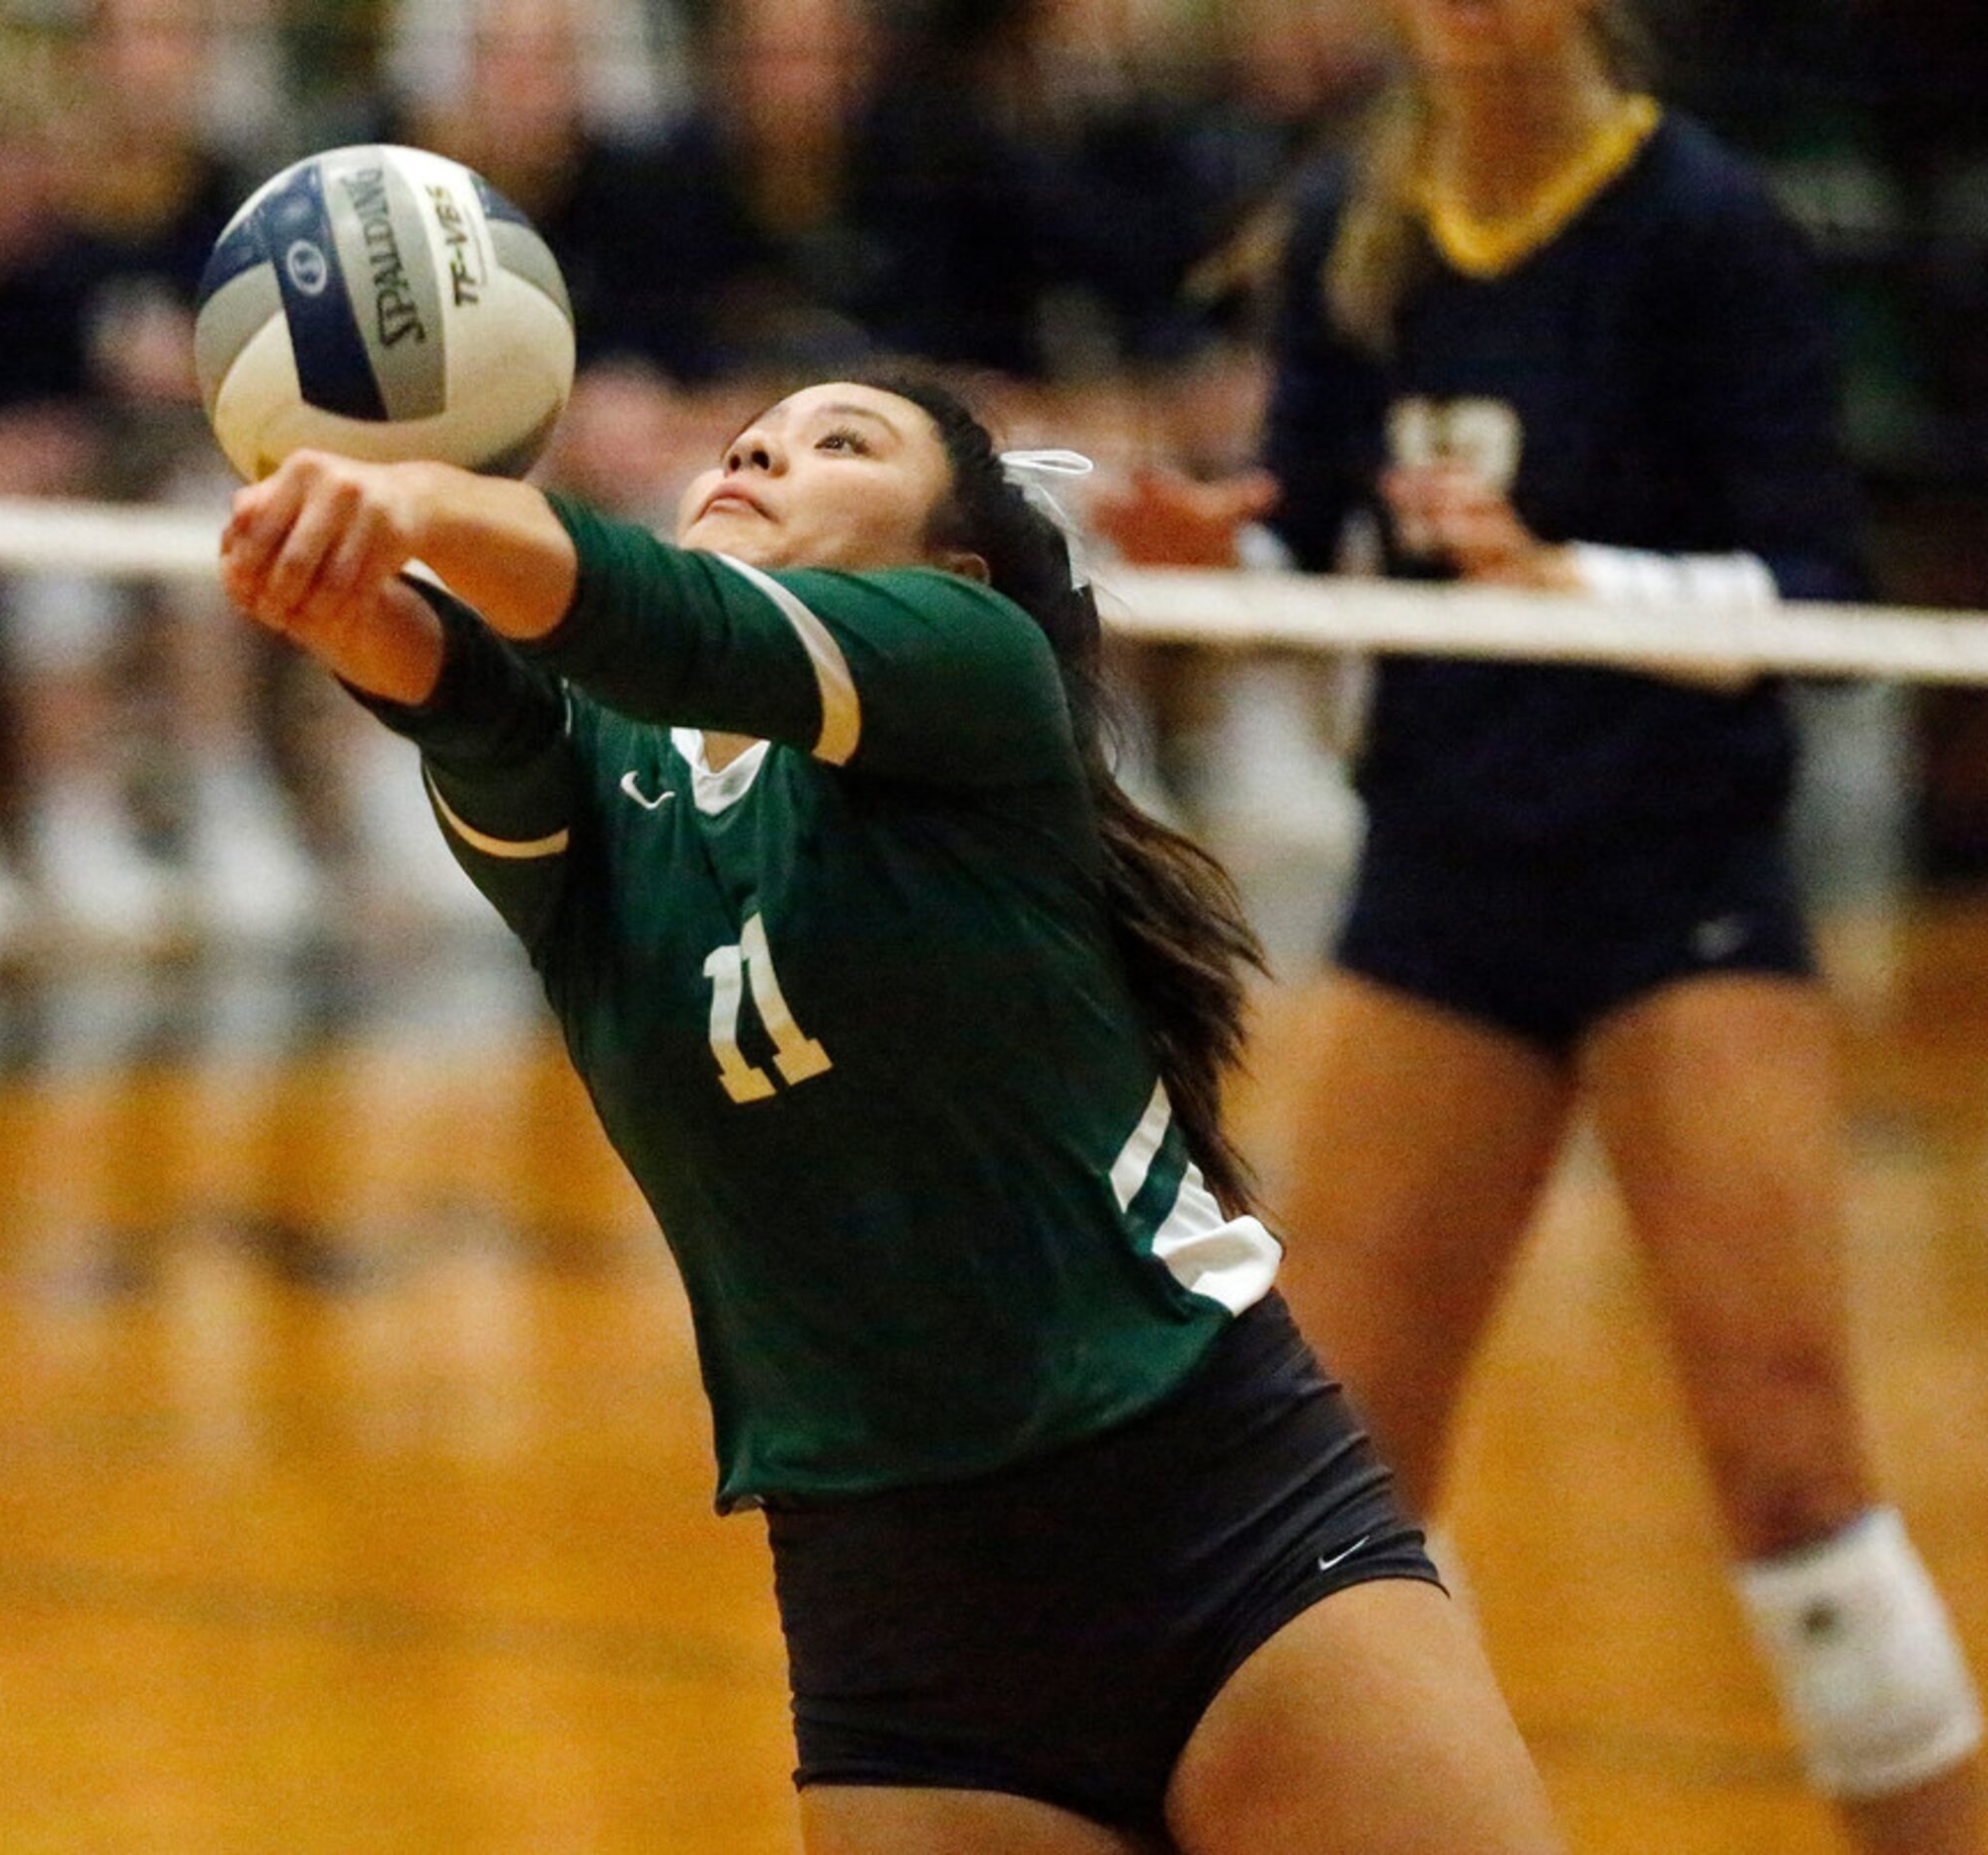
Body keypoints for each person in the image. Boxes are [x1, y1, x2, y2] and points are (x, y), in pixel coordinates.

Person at [217, 370, 1565, 1852]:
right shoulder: (603, 799)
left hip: (1220, 1527)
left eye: (838, 443)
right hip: (900, 1628)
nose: (759, 452)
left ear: (950, 568)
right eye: (749, 439)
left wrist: (418, 499)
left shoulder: (972, 674)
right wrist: (326, 560)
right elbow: (467, 698)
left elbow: (654, 615)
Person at [1089, 2, 1986, 1849]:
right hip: (1446, 891)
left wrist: (1571, 581)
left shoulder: (1701, 224)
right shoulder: (1365, 215)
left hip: (1683, 894)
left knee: (1787, 1464)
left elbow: (1816, 588)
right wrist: (1225, 559)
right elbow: (1337, 554)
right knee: (1336, 1497)